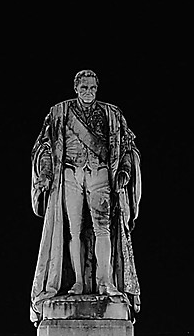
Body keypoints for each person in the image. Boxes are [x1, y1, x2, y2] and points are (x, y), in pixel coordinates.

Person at [30, 68, 143, 305]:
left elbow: (127, 147)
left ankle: (106, 282)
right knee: (74, 232)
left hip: (100, 174)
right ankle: (78, 281)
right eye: (84, 88)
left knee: (103, 230)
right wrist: (46, 173)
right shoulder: (59, 112)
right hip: (71, 173)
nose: (89, 92)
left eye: (92, 88)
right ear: (76, 88)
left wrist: (124, 170)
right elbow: (45, 147)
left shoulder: (112, 113)